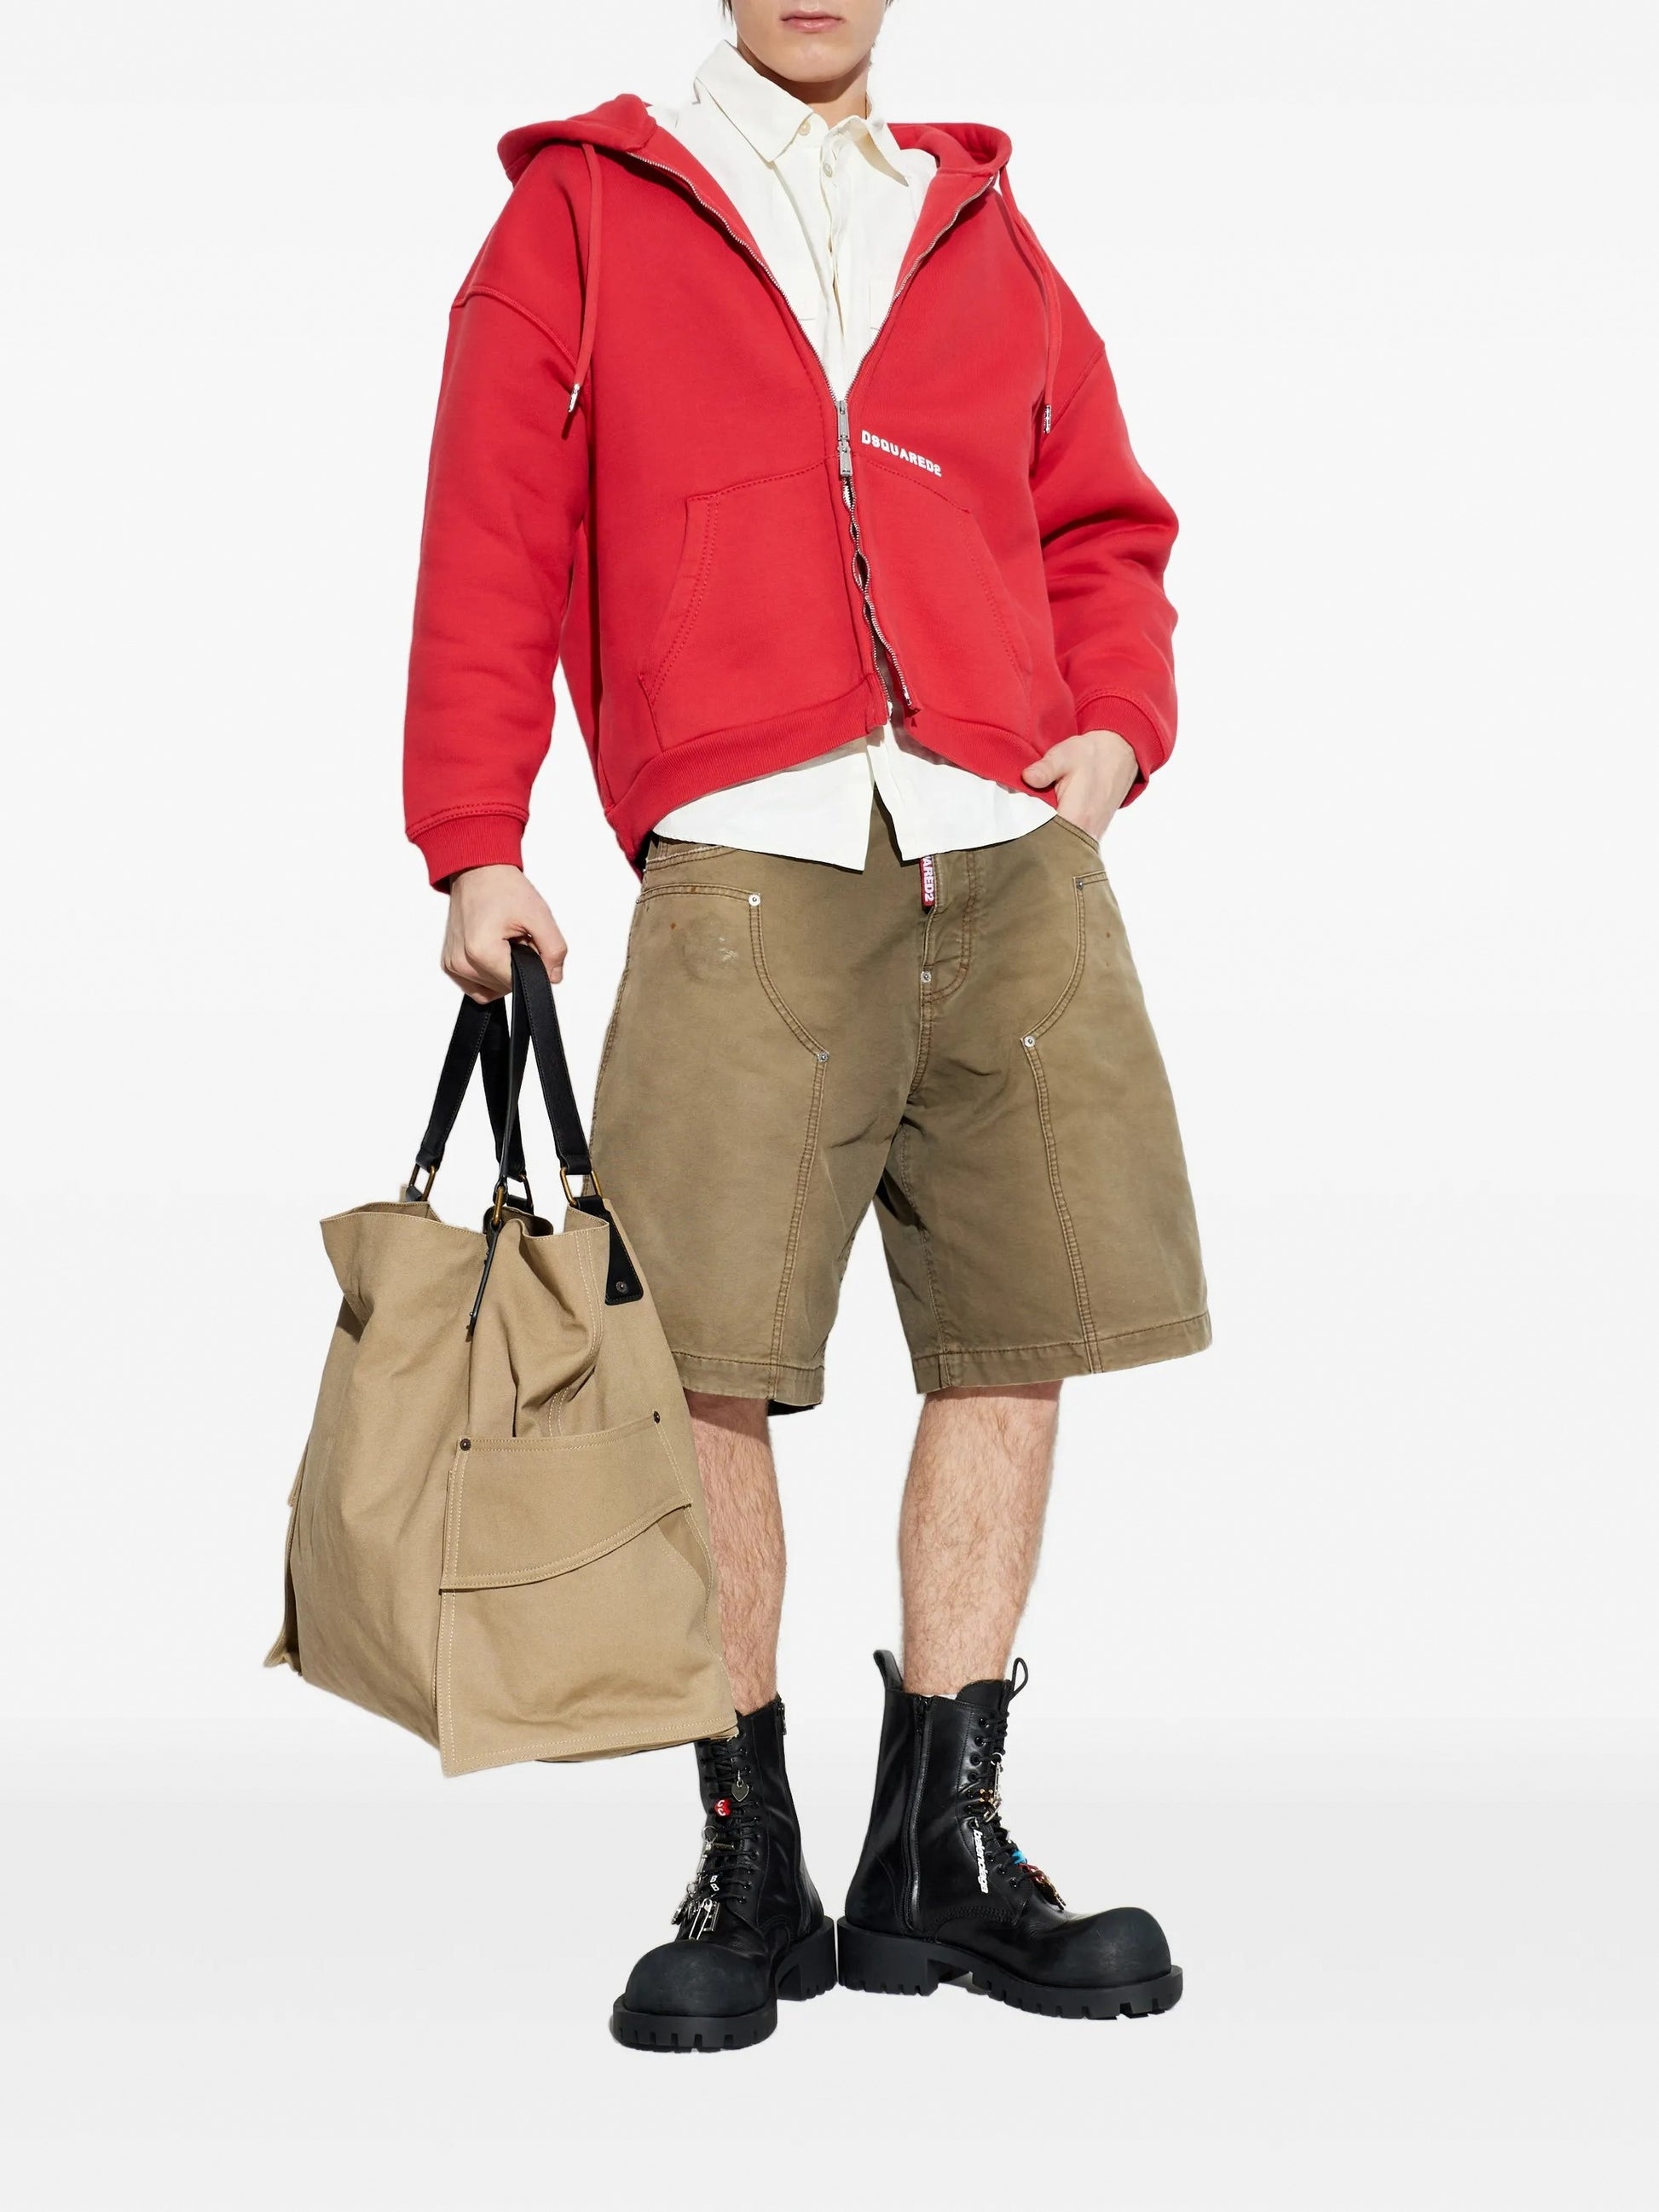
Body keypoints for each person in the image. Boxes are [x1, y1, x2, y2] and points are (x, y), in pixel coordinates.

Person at [402, 0, 1208, 2050]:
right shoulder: (584, 210)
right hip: (749, 857)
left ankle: (941, 1850)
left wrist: (1112, 729)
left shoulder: (979, 219)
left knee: (1021, 1333)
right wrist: (473, 838)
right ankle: (746, 1862)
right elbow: (491, 529)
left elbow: (1099, 520)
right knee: (698, 1365)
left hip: (1005, 851)